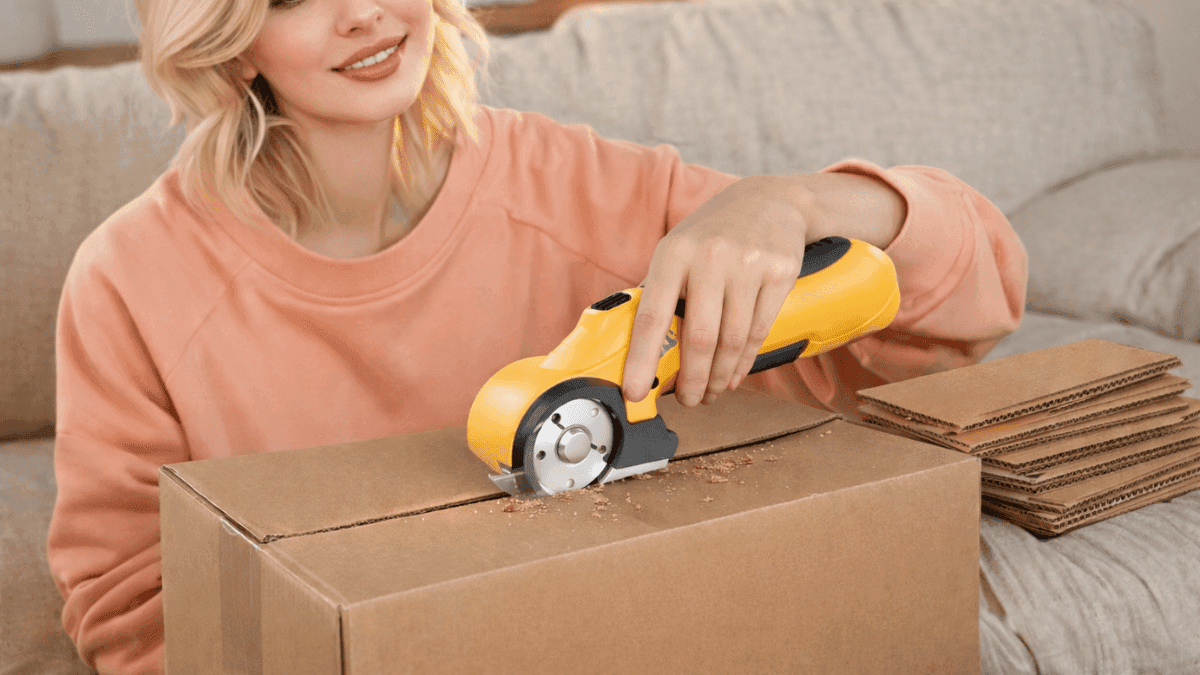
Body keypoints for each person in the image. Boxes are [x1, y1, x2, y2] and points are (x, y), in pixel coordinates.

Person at [46, 0, 1027, 672]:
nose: (367, 12)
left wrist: (792, 200)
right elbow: (133, 600)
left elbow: (977, 291)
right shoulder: (133, 280)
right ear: (224, 35)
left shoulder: (570, 189)